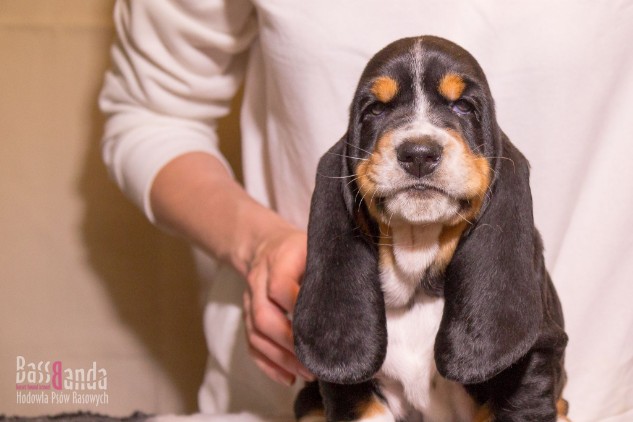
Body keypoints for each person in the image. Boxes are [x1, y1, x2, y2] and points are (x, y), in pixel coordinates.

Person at [100, 1, 633, 421]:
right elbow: (151, 112)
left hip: (598, 388)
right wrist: (260, 243)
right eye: (380, 109)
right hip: (289, 383)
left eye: (460, 106)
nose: (419, 144)